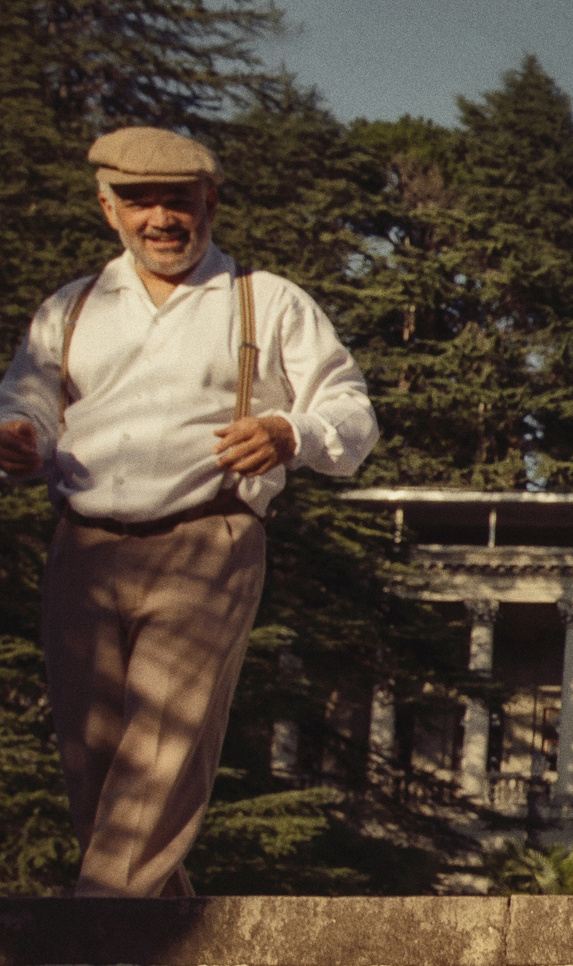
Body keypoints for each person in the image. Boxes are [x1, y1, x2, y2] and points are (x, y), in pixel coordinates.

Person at [0, 127, 379, 897]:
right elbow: (29, 402)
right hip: (84, 543)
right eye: (141, 203)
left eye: (180, 201)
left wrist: (287, 431)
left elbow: (350, 409)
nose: (162, 219)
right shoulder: (71, 309)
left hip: (206, 536)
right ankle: (152, 928)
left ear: (212, 201)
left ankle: (95, 922)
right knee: (95, 756)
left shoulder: (264, 300)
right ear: (109, 209)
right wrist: (20, 437)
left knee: (165, 743)